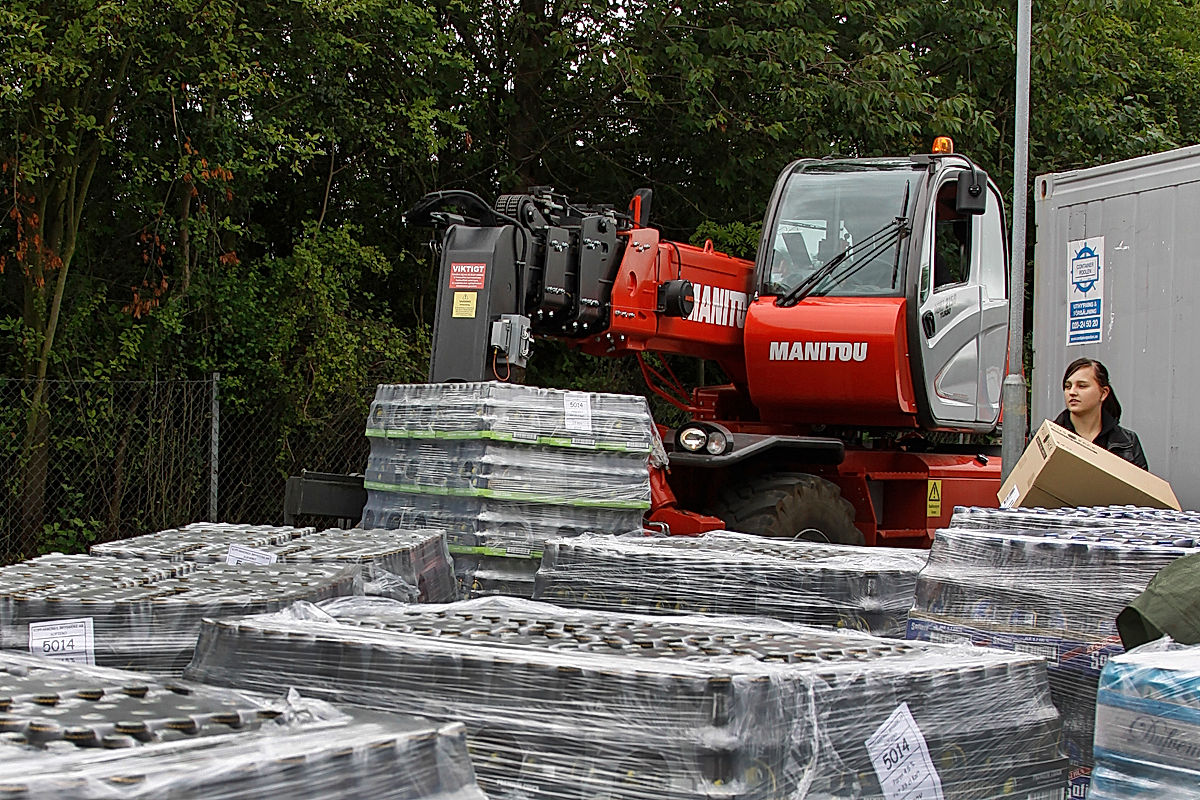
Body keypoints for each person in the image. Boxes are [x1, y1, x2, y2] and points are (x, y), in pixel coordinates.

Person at [1053, 357, 1147, 469]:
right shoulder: (1047, 437)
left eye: (1082, 386)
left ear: (1103, 393)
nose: (1072, 392)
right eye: (1068, 386)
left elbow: (1140, 484)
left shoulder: (1128, 442)